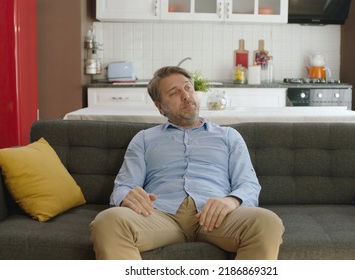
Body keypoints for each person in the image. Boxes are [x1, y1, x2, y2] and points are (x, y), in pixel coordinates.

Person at [89, 66, 284, 260]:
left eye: (188, 88)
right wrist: (127, 197)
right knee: (107, 222)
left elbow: (248, 184)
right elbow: (123, 187)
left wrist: (231, 201)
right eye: (174, 93)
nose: (185, 95)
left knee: (268, 222)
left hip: (217, 218)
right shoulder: (144, 139)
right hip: (159, 216)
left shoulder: (229, 136)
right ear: (160, 107)